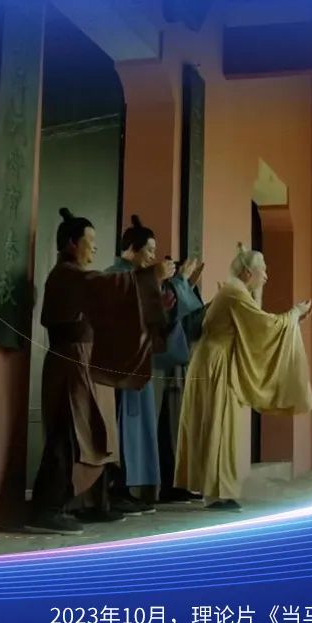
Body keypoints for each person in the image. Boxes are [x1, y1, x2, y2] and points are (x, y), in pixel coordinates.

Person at [27, 208, 173, 536]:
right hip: (70, 363)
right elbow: (108, 285)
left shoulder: (77, 276)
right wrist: (151, 277)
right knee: (68, 435)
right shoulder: (67, 275)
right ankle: (46, 509)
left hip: (86, 362)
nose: (95, 247)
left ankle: (90, 502)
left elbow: (113, 307)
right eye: (89, 240)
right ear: (71, 243)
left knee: (95, 432)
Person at [174, 244, 312, 511]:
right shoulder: (234, 293)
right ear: (248, 272)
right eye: (264, 271)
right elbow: (265, 325)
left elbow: (258, 325)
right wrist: (294, 313)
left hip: (214, 360)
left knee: (219, 424)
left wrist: (292, 321)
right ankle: (216, 493)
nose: (267, 276)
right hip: (216, 363)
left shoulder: (235, 291)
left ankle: (216, 490)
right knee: (219, 424)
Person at [106, 216, 203, 513]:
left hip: (141, 361)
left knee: (139, 429)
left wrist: (179, 286)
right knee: (122, 427)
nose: (152, 256)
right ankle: (117, 489)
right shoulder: (114, 275)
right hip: (120, 364)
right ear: (131, 249)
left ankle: (133, 488)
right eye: (148, 250)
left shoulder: (140, 277)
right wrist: (163, 281)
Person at [156, 259, 209, 504]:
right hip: (165, 369)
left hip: (181, 366)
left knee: (179, 429)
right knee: (168, 429)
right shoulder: (164, 292)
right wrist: (183, 281)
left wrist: (189, 284)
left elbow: (195, 320)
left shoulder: (175, 290)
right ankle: (167, 485)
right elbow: (178, 314)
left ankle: (179, 483)